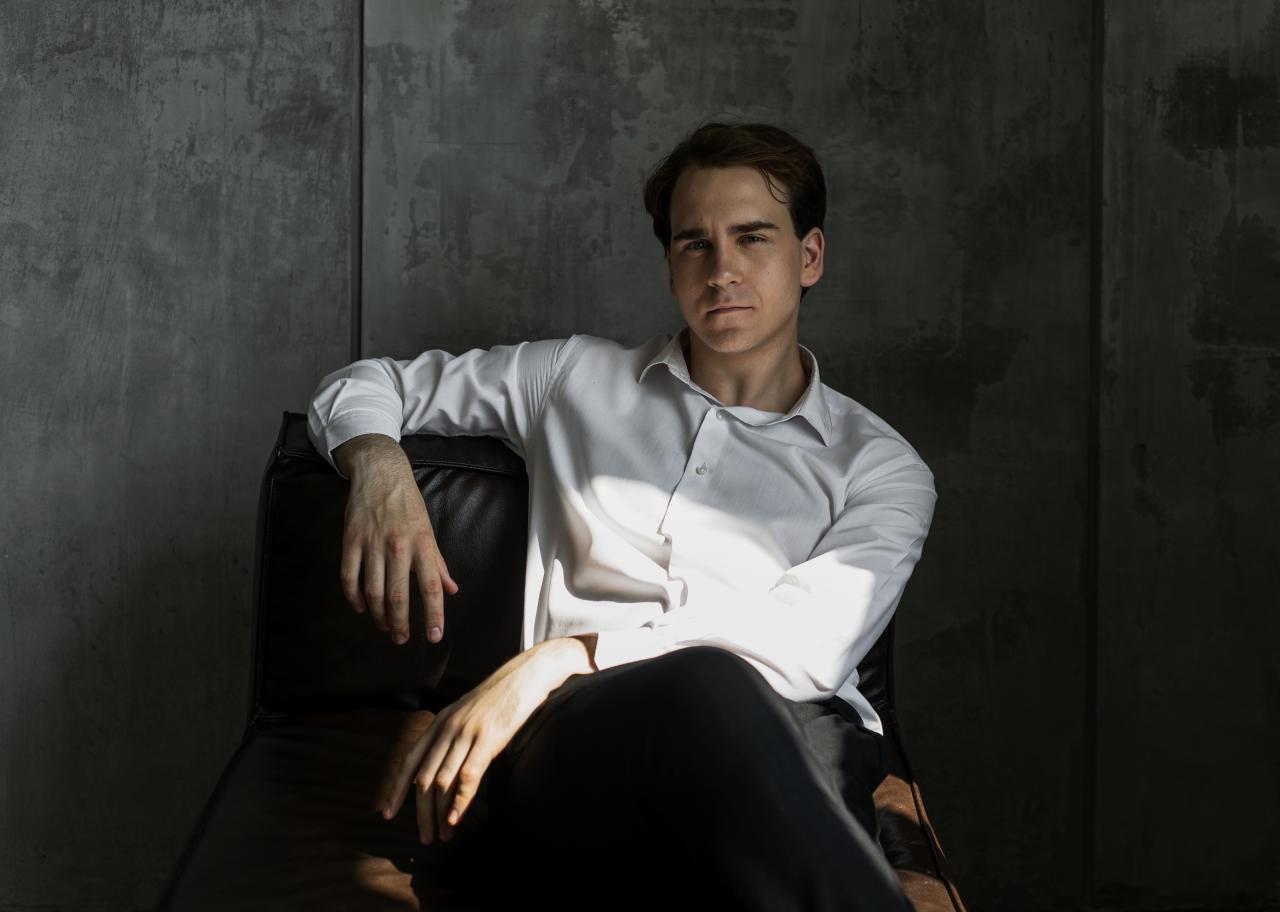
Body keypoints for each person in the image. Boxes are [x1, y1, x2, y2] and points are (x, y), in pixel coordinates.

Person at [306, 121, 934, 910]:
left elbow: (807, 646)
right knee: (707, 695)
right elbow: (366, 385)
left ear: (809, 257)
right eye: (695, 244)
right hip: (578, 753)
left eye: (752, 238)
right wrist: (378, 467)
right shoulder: (571, 378)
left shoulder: (881, 466)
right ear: (671, 268)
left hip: (797, 737)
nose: (722, 271)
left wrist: (564, 655)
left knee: (770, 763)